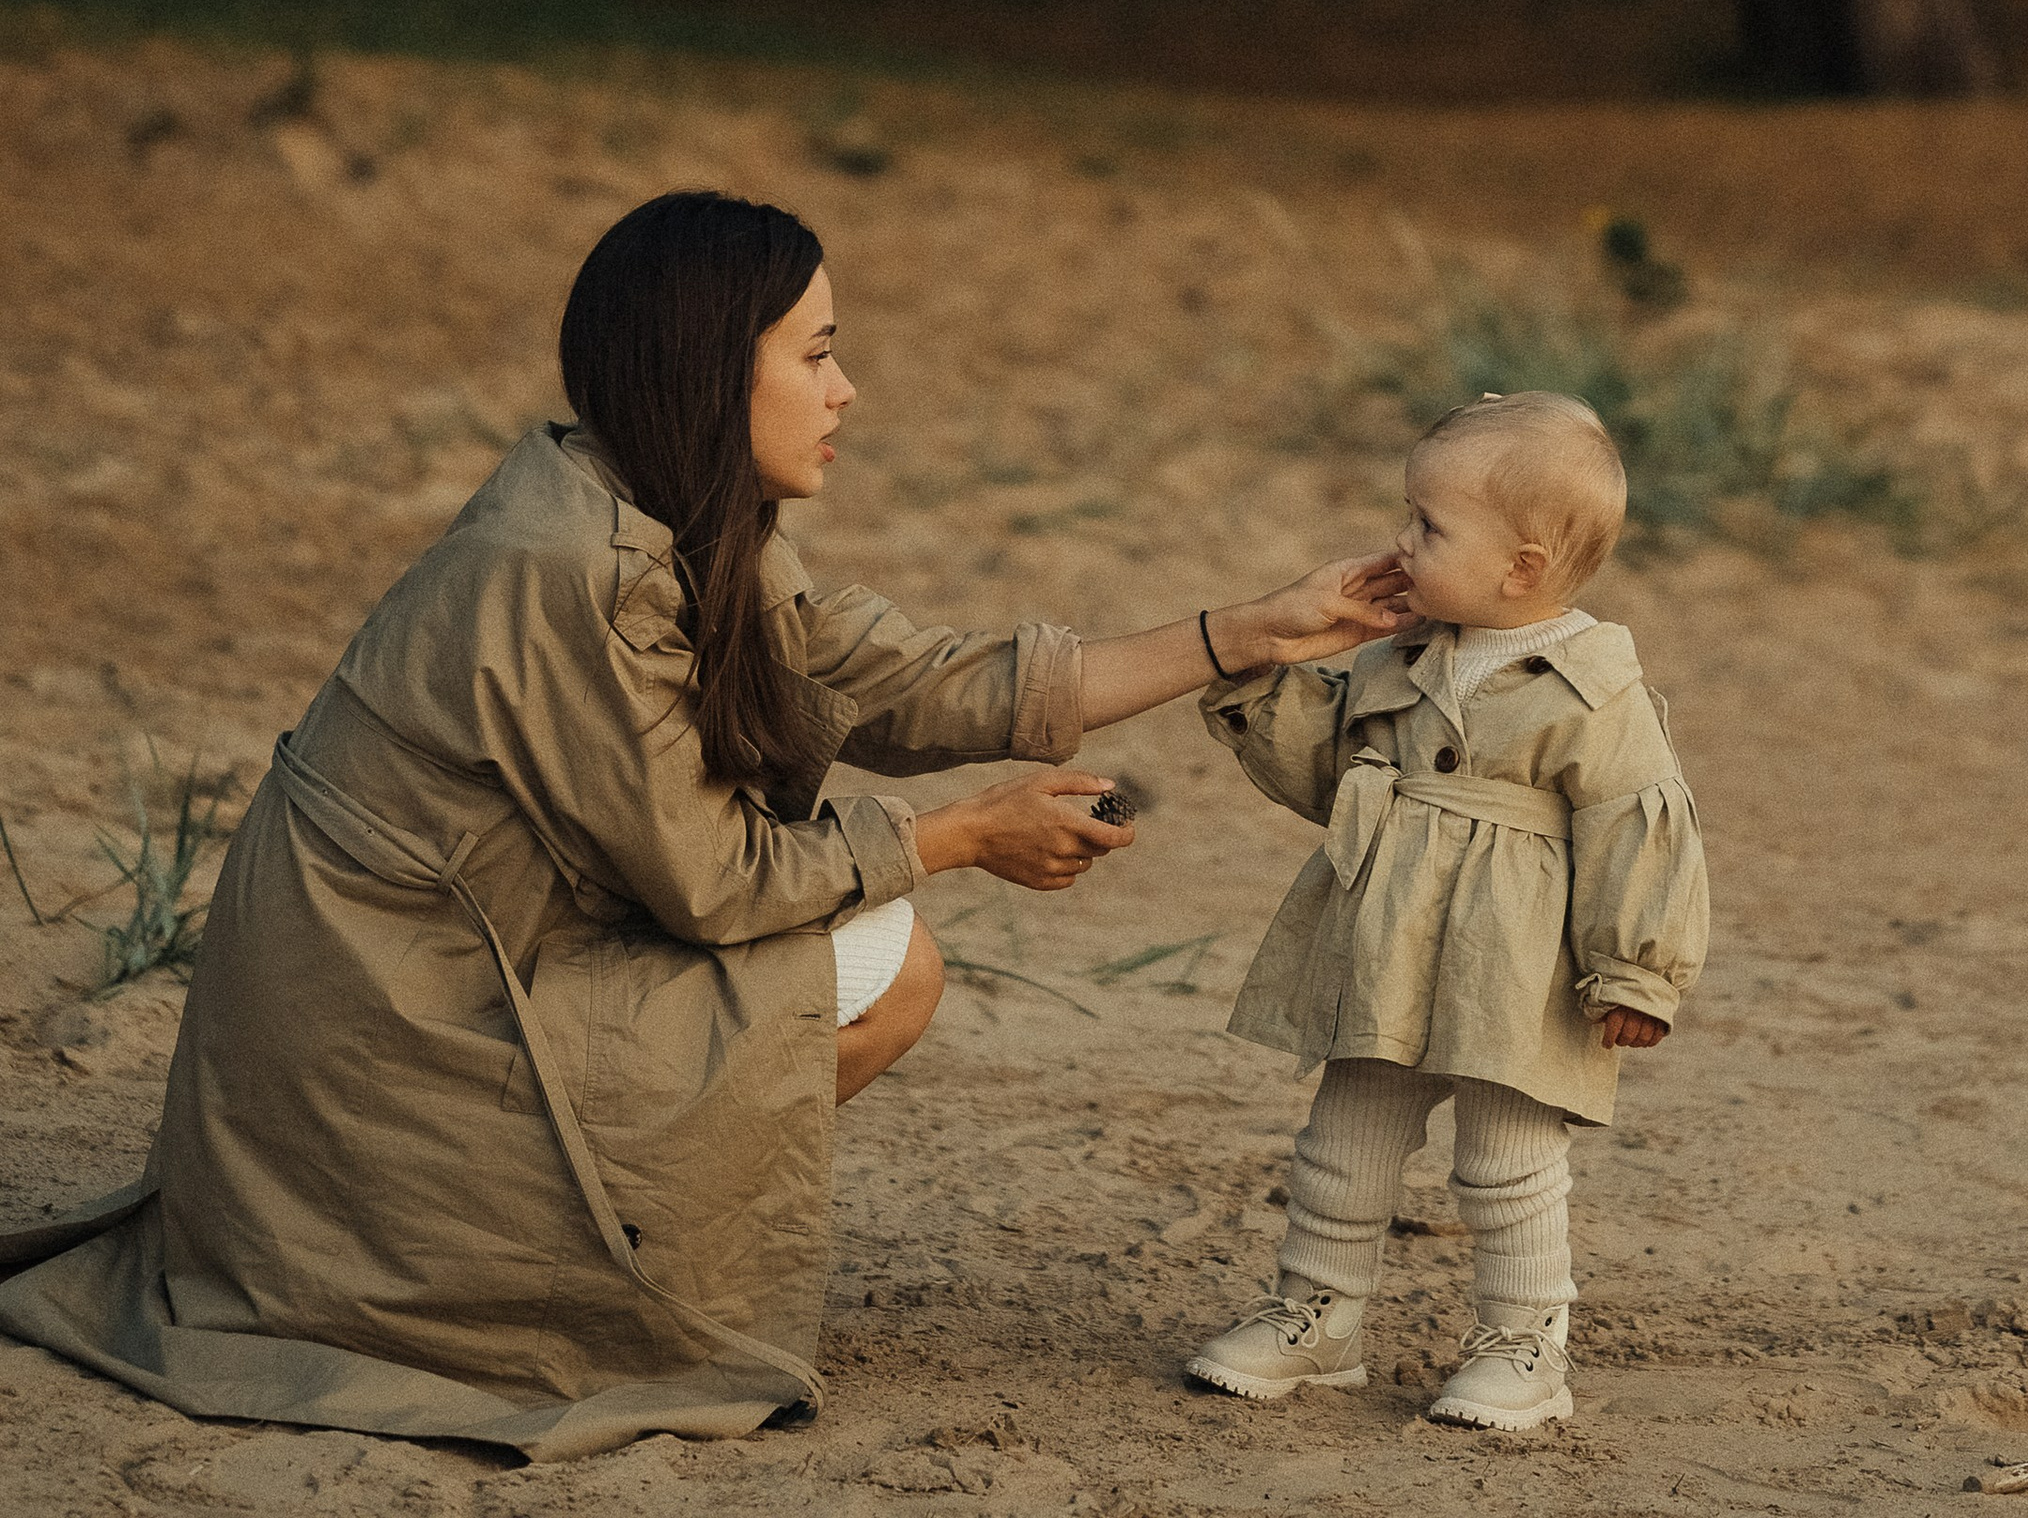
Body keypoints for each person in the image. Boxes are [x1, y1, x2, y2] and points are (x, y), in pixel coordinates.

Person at [0, 193, 1403, 1462]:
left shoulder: (667, 514)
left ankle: (609, 1234)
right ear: (704, 364)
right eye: (816, 353)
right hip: (390, 1048)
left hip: (445, 999)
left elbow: (921, 681)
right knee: (886, 963)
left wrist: (1254, 630)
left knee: (873, 958)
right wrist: (962, 836)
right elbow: (715, 888)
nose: (848, 388)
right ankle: (562, 1269)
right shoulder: (566, 572)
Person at [1184, 388, 1710, 1436]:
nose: (1401, 540)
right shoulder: (1399, 654)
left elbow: (1637, 826)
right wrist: (1264, 675)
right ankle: (1316, 1316)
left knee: (1509, 1153)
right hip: (1387, 932)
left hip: (1519, 959)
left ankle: (1526, 1343)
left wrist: (1637, 967)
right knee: (1346, 1130)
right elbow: (1331, 773)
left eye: (1429, 525)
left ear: (1520, 566)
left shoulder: (1590, 686)